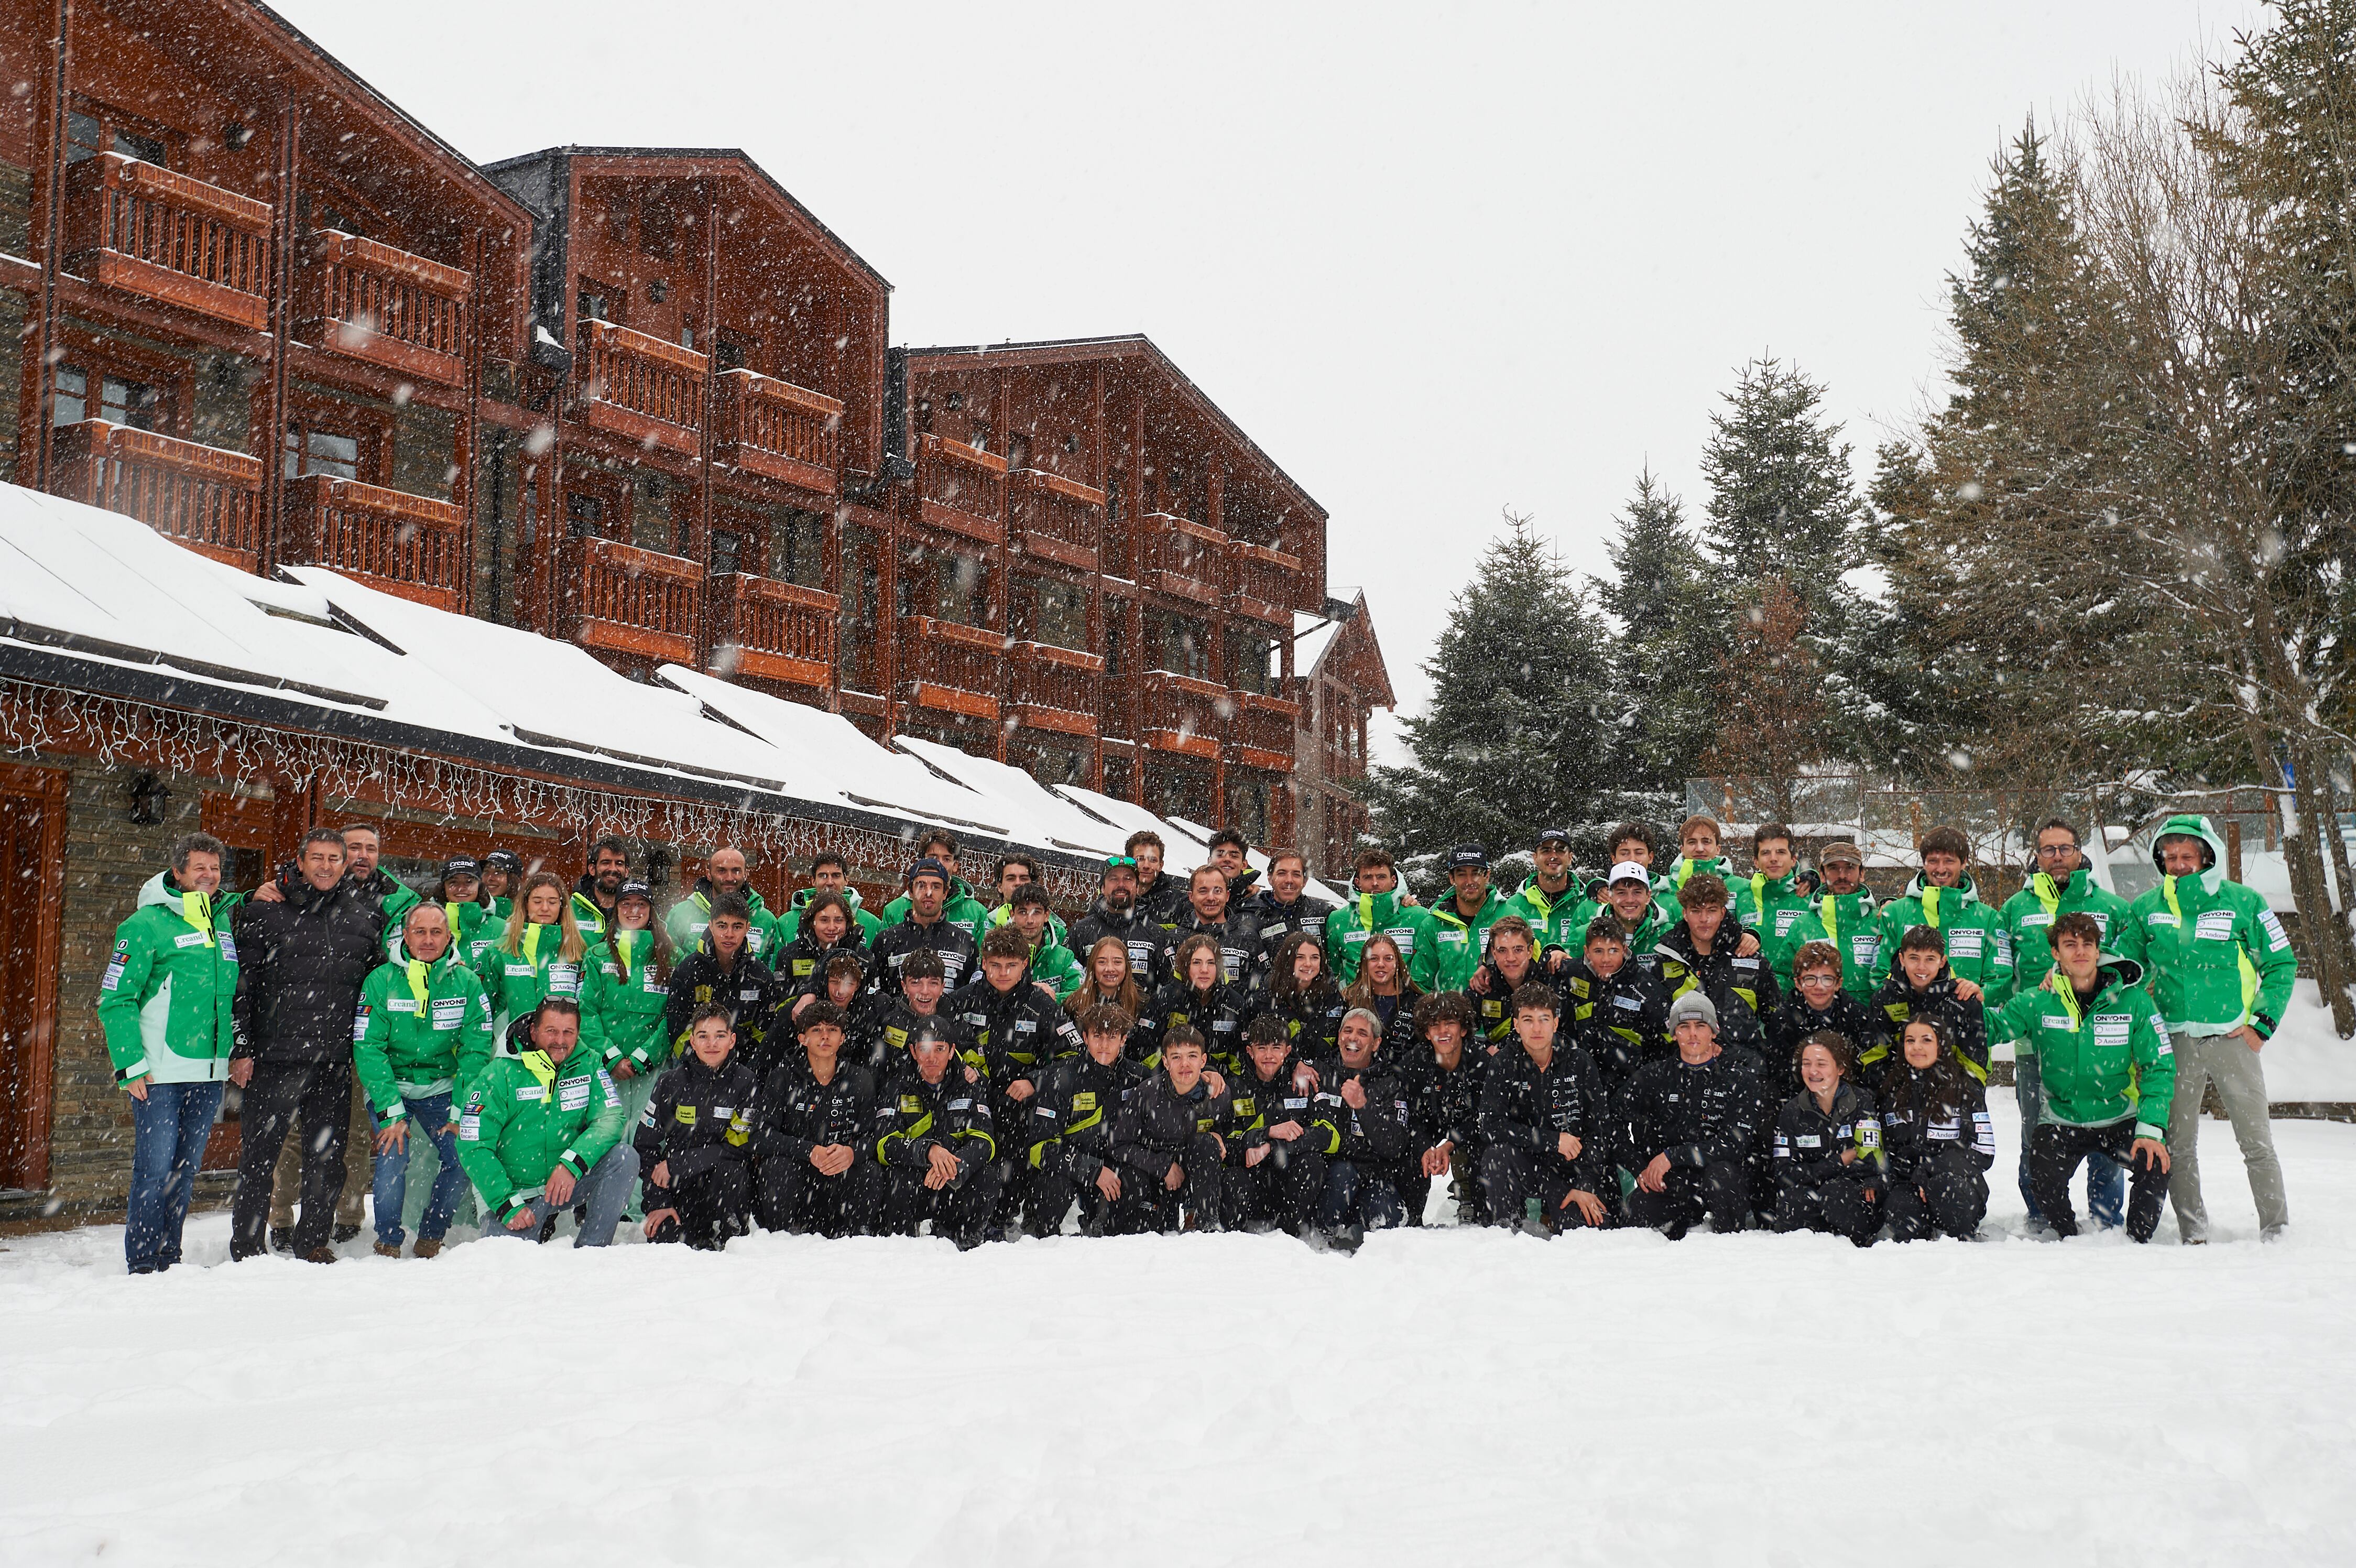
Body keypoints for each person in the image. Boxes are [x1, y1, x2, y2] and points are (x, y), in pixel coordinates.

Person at [2131, 814, 2298, 1243]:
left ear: (2208, 855)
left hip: (2232, 1038)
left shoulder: (2244, 901)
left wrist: (2261, 1026)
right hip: (2174, 1041)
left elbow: (2280, 963)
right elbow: (2125, 968)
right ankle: (2194, 1229)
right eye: (2170, 856)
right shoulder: (2147, 908)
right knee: (2180, 1145)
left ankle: (2275, 1228)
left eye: (2188, 855)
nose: (2179, 864)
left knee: (2255, 1141)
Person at [227, 827, 386, 1262]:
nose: (325, 866)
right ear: (300, 861)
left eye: (334, 858)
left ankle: (313, 1241)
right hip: (274, 1056)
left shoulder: (364, 916)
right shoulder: (264, 913)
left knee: (328, 1158)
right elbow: (243, 987)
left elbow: (378, 988)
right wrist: (241, 1049)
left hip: (334, 1059)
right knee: (261, 1158)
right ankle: (246, 1246)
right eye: (317, 857)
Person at [252, 821, 414, 1244]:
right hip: (297, 1038)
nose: (362, 855)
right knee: (291, 1138)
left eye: (370, 849)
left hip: (358, 1040)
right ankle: (282, 1217)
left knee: (355, 1135)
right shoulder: (288, 892)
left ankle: (347, 1214)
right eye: (354, 847)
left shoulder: (399, 903)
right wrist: (251, 893)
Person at [99, 832, 242, 1273]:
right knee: (155, 1170)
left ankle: (169, 1255)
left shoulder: (222, 922)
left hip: (208, 1070)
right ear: (177, 872)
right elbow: (115, 1000)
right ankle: (143, 1260)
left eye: (215, 868)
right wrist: (130, 1064)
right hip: (159, 1072)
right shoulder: (144, 925)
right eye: (199, 867)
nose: (208, 876)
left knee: (185, 1171)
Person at [1988, 913, 2175, 1242]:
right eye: (2070, 945)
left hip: (2117, 1115)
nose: (2080, 952)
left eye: (2088, 944)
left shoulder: (2134, 1001)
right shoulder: (2038, 1001)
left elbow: (2159, 1065)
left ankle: (2136, 1243)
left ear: (2098, 949)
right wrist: (1953, 1001)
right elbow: (1993, 1027)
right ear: (2055, 953)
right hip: (2063, 1118)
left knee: (2156, 1161)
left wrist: (2150, 1129)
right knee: (2039, 1175)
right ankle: (2066, 1237)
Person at [1996, 817, 2132, 1231]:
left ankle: (2106, 1215)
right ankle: (2042, 1212)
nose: (2057, 858)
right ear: (2036, 857)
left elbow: (2132, 966)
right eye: (2048, 850)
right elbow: (2002, 973)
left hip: (2101, 1042)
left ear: (2079, 852)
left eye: (2065, 849)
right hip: (2036, 1045)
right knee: (2036, 1134)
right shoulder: (2015, 908)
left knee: (2105, 1131)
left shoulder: (2112, 907)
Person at [353, 901, 494, 1259]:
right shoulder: (381, 980)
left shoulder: (467, 981)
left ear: (449, 936)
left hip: (443, 1087)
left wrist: (462, 1109)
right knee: (393, 1152)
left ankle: (432, 1234)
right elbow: (369, 1047)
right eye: (420, 932)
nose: (428, 940)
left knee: (464, 1154)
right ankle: (387, 1240)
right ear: (406, 934)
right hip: (392, 1086)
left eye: (436, 932)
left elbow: (476, 1050)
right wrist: (390, 1111)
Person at [457, 997, 639, 1247]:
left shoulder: (590, 1062)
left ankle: (592, 1251)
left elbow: (611, 1118)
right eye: (551, 1031)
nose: (560, 1041)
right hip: (513, 1194)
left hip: (561, 1185)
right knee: (508, 1268)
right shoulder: (498, 1074)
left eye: (568, 1032)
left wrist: (572, 1163)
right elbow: (472, 1144)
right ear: (534, 1031)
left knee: (623, 1158)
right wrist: (506, 1204)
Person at [949, 925, 1084, 1227]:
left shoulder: (1042, 1004)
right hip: (973, 1100)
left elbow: (1074, 1057)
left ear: (1025, 964)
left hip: (1021, 1104)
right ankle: (962, 1216)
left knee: (1017, 1155)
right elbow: (942, 1047)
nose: (1002, 973)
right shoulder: (961, 1000)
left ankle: (1006, 1215)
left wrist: (1034, 1081)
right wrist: (962, 1069)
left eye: (1011, 965)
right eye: (995, 965)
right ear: (983, 963)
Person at [1621, 991, 1762, 1238]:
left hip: (1722, 1176)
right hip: (1671, 1179)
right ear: (1674, 1033)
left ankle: (1730, 1244)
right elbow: (1610, 1121)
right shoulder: (1652, 1077)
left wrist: (1673, 1156)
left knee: (1723, 1177)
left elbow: (1734, 1144)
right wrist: (1640, 1168)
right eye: (1684, 1027)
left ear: (1714, 1032)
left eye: (1701, 1025)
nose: (1693, 1034)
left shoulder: (1740, 1079)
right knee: (1634, 1215)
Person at [1476, 982, 1611, 1236]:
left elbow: (1600, 1131)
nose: (1536, 1028)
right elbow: (1490, 1127)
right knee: (1496, 1156)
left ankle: (1560, 1212)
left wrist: (1586, 1183)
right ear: (1516, 1024)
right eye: (1528, 1020)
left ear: (1556, 1024)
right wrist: (1552, 1140)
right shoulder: (1503, 1063)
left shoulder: (1580, 1062)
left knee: (1585, 1235)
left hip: (1573, 1172)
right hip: (1528, 1166)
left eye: (1544, 1019)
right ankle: (1506, 1227)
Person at [1022, 1003, 1152, 1237]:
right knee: (1054, 1186)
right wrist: (1090, 1170)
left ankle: (1102, 1228)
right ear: (1085, 1037)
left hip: (1113, 1166)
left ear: (1123, 1040)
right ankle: (1042, 1236)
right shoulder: (1061, 1078)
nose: (1104, 1045)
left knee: (1138, 1183)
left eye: (1112, 1037)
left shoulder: (1139, 1077)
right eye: (1097, 1036)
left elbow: (1174, 1094)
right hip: (1067, 1166)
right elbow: (1038, 1148)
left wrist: (1207, 1077)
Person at [755, 1000, 882, 1237]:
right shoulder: (782, 1078)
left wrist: (851, 1153)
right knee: (776, 1168)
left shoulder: (860, 1079)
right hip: (798, 1179)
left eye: (832, 1030)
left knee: (870, 1171)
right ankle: (781, 1239)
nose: (825, 1037)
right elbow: (761, 1137)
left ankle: (859, 1239)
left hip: (839, 1179)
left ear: (842, 1038)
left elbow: (872, 1136)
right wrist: (809, 1151)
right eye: (816, 1030)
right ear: (803, 1038)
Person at [635, 1005, 757, 1250]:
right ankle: (689, 1230)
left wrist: (680, 1162)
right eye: (703, 1036)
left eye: (720, 1036)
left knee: (732, 1170)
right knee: (666, 1244)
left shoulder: (746, 1081)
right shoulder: (670, 1082)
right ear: (692, 1040)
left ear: (732, 1040)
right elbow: (644, 1146)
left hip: (722, 1188)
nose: (712, 1043)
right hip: (679, 1189)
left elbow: (740, 1144)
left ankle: (732, 1235)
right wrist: (659, 1201)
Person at [1869, 828, 2012, 1035]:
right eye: (1933, 861)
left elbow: (2001, 980)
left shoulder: (1989, 918)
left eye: (1949, 861)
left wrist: (1978, 996)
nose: (1941, 868)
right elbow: (1879, 975)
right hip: (1908, 1039)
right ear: (1924, 863)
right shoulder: (1895, 913)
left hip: (1966, 1035)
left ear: (1964, 863)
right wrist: (1908, 1014)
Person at [874, 1017, 1001, 1249]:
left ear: (953, 1052)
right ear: (913, 1051)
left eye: (940, 1049)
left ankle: (964, 1237)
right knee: (894, 1177)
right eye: (924, 1049)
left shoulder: (970, 1084)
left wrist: (955, 1167)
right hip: (915, 1178)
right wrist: (927, 1152)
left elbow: (985, 1140)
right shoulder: (896, 1084)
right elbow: (884, 1145)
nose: (932, 1058)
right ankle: (902, 1241)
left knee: (988, 1177)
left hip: (954, 1181)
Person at [1876, 1015, 1995, 1242]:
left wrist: (1930, 1170)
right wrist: (1910, 1175)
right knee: (1900, 1210)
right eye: (1910, 1041)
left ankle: (1963, 1242)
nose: (1917, 1047)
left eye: (1926, 1040)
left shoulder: (1966, 1089)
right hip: (1909, 1182)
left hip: (1957, 1184)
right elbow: (1885, 1149)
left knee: (1946, 1188)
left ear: (1942, 1045)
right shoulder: (1892, 1089)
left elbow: (1983, 1152)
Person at [1107, 1025, 1230, 1234]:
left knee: (1207, 1144)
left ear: (1203, 1060)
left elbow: (1233, 1132)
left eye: (1192, 1056)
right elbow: (1117, 1145)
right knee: (1150, 1230)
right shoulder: (1147, 1093)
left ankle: (1208, 1223)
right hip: (1154, 1174)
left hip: (1195, 1177)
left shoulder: (1219, 1094)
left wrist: (1221, 1137)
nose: (1185, 1064)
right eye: (1176, 1057)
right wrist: (1163, 1166)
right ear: (1165, 1062)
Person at [1306, 1008, 1412, 1249]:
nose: (1353, 1038)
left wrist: (1363, 1107)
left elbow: (1394, 1145)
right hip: (1332, 1181)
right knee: (1344, 1173)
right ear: (1339, 1037)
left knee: (1392, 1221)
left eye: (1362, 1033)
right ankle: (1319, 1243)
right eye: (1348, 1031)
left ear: (1376, 1044)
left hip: (1375, 1178)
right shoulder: (1320, 1074)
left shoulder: (1389, 1083)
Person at [580, 879, 674, 1148]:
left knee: (651, 1139)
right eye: (627, 904)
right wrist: (612, 1057)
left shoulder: (671, 956)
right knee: (607, 1138)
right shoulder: (597, 956)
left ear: (651, 910)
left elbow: (675, 1016)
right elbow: (586, 1013)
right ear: (617, 909)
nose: (634, 911)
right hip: (606, 1070)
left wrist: (644, 1057)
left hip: (653, 1069)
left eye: (641, 904)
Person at [1770, 1031, 1882, 1246]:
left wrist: (1818, 1173)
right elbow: (1784, 1173)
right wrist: (1837, 1163)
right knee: (1792, 1203)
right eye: (1806, 1063)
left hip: (1852, 1195)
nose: (1813, 1071)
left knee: (1835, 1194)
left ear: (1841, 1068)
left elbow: (1871, 1162)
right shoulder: (1791, 1111)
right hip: (1813, 1192)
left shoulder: (1861, 1102)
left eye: (1821, 1064)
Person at [1220, 1014, 1326, 1237]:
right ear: (1250, 1051)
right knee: (1233, 1177)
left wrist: (1272, 1147)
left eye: (1276, 1048)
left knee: (1313, 1162)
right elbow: (1224, 1145)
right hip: (1250, 1185)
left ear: (1288, 1051)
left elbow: (1323, 1135)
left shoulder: (1301, 1083)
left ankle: (1288, 1236)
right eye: (1261, 1048)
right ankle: (1234, 1241)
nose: (1269, 1056)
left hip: (1286, 1186)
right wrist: (1266, 1133)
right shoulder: (1235, 1086)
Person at [661, 894, 786, 1076]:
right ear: (710, 926)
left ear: (747, 929)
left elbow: (763, 1035)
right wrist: (700, 1065)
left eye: (737, 927)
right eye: (722, 926)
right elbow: (678, 1030)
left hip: (742, 1074)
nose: (729, 934)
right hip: (693, 1072)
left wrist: (742, 1072)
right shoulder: (687, 971)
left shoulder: (761, 977)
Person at [1653, 873, 1780, 1047]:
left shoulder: (1750, 958)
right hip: (1686, 1064)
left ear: (1722, 913)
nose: (1704, 919)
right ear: (1685, 913)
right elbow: (1658, 1021)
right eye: (1696, 911)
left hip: (1743, 1066)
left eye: (1711, 910)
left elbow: (1777, 1021)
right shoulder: (1667, 959)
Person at [1402, 992, 1490, 1225]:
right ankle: (1410, 1217)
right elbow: (1410, 1116)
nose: (1443, 1031)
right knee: (1408, 1150)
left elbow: (1484, 1118)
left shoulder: (1481, 1062)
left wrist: (1450, 1144)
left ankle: (1477, 1207)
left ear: (1463, 1029)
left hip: (1468, 1128)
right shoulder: (1413, 1063)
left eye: (1450, 1023)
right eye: (1434, 1025)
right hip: (1429, 1123)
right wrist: (1425, 1148)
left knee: (1486, 1147)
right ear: (1427, 1033)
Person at [1860, 924, 1989, 1083]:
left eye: (1930, 959)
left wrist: (1962, 1100)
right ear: (1902, 959)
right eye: (1914, 958)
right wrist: (1889, 1098)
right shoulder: (1884, 999)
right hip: (1898, 1093)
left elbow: (1974, 1065)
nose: (1921, 967)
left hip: (1950, 1094)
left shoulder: (1962, 999)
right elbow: (1873, 1058)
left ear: (1942, 962)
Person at [476, 872, 590, 1049]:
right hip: (511, 1053)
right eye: (537, 901)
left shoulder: (577, 952)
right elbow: (482, 1012)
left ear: (562, 906)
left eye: (552, 902)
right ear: (526, 905)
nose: (545, 908)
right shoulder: (498, 952)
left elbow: (586, 1009)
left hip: (562, 1054)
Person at [1558, 917, 1669, 1094]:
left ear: (1625, 950)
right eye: (1599, 951)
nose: (1606, 959)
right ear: (1587, 952)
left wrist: (1644, 1084)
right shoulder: (1569, 974)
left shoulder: (1647, 989)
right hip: (1577, 1083)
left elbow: (1665, 1046)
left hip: (1629, 1087)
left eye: (1613, 950)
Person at [1767, 941, 1878, 1102]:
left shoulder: (1856, 1014)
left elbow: (1868, 1067)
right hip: (1799, 1098)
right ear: (1798, 983)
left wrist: (1851, 1098)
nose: (1819, 987)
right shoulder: (1785, 1018)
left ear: (1838, 983)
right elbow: (1780, 1072)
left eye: (1827, 979)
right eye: (1810, 979)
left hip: (1849, 1096)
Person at [1137, 933, 1251, 1072]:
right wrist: (1170, 1080)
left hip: (1218, 1086)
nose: (1204, 970)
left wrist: (1218, 1079)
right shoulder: (1164, 999)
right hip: (1170, 1084)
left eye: (1211, 963)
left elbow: (1241, 1059)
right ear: (1186, 966)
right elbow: (1144, 1051)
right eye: (1197, 962)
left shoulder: (1235, 1004)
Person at [867, 857, 981, 993]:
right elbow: (873, 997)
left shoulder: (966, 942)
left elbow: (971, 997)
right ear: (910, 891)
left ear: (945, 893)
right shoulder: (886, 940)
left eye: (936, 887)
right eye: (921, 885)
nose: (928, 893)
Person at [1323, 846, 1434, 984]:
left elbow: (1427, 972)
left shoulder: (1418, 916)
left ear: (1393, 880)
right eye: (1368, 877)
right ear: (1358, 882)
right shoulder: (1338, 920)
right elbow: (1334, 973)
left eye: (1381, 877)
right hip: (1355, 1004)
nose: (1375, 883)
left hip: (1405, 1003)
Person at [853, 945, 975, 1070]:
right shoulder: (886, 1017)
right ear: (904, 986)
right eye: (916, 983)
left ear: (942, 987)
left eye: (933, 983)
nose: (925, 991)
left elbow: (980, 1070)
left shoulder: (956, 1024)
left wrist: (974, 1073)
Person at [1067, 853, 1176, 990]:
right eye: (1114, 879)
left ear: (1137, 888)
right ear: (1102, 888)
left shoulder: (1156, 934)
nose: (1121, 885)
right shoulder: (1080, 932)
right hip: (1092, 1011)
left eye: (1128, 879)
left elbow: (1169, 987)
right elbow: (1067, 985)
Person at [1416, 845, 1507, 993]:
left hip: (1500, 1014)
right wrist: (1439, 1012)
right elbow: (1421, 982)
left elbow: (1527, 970)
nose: (1470, 881)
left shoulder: (1510, 917)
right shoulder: (1433, 924)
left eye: (1476, 873)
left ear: (1487, 875)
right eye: (1462, 874)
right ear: (1452, 878)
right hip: (1449, 1014)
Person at [1742, 823, 1823, 989]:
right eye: (1766, 853)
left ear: (1794, 859)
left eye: (1781, 852)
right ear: (1756, 861)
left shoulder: (1811, 897)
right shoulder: (1743, 899)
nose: (1773, 858)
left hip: (1800, 999)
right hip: (1750, 1000)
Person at [665, 845, 783, 959]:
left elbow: (772, 970)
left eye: (736, 871)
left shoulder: (766, 920)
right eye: (722, 871)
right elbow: (669, 966)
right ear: (709, 875)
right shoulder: (680, 914)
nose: (729, 878)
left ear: (746, 874)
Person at [772, 890, 869, 1017]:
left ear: (848, 923)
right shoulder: (789, 955)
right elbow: (781, 1004)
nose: (832, 927)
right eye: (824, 920)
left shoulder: (864, 958)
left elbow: (869, 1002)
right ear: (812, 922)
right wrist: (806, 996)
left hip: (850, 1029)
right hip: (801, 1030)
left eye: (839, 920)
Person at [878, 831, 989, 940]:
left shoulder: (977, 912)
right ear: (922, 861)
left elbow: (981, 957)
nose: (939, 864)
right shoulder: (894, 910)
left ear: (955, 866)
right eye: (933, 858)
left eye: (946, 859)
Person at [1808, 841, 1883, 1001]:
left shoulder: (1880, 920)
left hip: (1872, 1022)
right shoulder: (1803, 925)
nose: (1842, 876)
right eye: (1834, 868)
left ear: (1862, 873)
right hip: (1818, 1022)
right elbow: (1785, 975)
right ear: (1822, 875)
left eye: (1850, 868)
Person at [1256, 930, 1348, 1058]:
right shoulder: (1266, 997)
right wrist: (1294, 1066)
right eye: (1300, 957)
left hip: (1322, 1074)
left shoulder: (1333, 997)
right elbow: (1258, 1050)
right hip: (1280, 1073)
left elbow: (1341, 1050)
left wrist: (1319, 1069)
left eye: (1315, 958)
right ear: (1288, 960)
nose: (1308, 964)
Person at [1464, 917, 1552, 1050]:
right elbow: (1459, 1034)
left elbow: (1569, 1037)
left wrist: (1558, 951)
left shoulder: (1553, 981)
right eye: (1502, 950)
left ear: (1530, 951)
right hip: (1498, 1066)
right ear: (1493, 953)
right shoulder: (1482, 987)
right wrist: (1485, 1049)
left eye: (1518, 950)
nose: (1510, 958)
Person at [1169, 864, 1263, 987]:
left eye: (1218, 891)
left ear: (1227, 896)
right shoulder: (1174, 939)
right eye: (1203, 891)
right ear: (1191, 896)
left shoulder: (1248, 937)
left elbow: (1262, 987)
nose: (1211, 898)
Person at [1502, 826, 1592, 955]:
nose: (1553, 856)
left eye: (1560, 850)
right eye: (1546, 851)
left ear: (1570, 857)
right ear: (1535, 858)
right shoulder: (1514, 906)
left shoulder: (1588, 903)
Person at [1584, 861, 1682, 975]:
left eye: (1637, 892)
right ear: (1610, 897)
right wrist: (1558, 951)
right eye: (1622, 893)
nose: (1630, 900)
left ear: (1648, 896)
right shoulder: (1587, 933)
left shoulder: (1670, 934)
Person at [1664, 814, 1760, 930]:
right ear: (1682, 849)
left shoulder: (1742, 887)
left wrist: (1751, 934)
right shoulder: (1664, 888)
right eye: (1692, 842)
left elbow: (1751, 929)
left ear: (1718, 849)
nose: (1700, 848)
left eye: (1706, 842)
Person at [1341, 931, 1423, 1058]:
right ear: (1365, 963)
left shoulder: (1418, 1003)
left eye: (1388, 958)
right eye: (1374, 958)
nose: (1381, 964)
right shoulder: (1349, 999)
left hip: (1404, 1074)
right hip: (1358, 1075)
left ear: (1397, 963)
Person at [776, 851, 885, 945]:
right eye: (823, 876)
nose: (830, 882)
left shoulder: (872, 923)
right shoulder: (786, 922)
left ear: (846, 880)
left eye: (836, 875)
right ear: (813, 881)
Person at [415, 855, 499, 970]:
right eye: (453, 882)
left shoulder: (503, 929)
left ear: (480, 886)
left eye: (469, 882)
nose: (461, 888)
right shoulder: (422, 925)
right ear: (443, 887)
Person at [1002, 884, 1083, 1000]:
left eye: (1036, 912)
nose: (1030, 920)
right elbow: (980, 991)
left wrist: (1049, 998)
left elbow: (1082, 997)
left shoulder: (1064, 957)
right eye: (1023, 912)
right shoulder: (998, 951)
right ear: (1013, 915)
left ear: (1046, 915)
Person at [1065, 935, 1149, 1037]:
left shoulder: (1141, 1002)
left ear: (1127, 967)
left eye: (1117, 962)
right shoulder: (1074, 1003)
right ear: (1093, 966)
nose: (1110, 968)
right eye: (1102, 962)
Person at [982, 853, 1071, 948]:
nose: (1018, 883)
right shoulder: (984, 926)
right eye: (1011, 879)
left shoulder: (1058, 932)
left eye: (1023, 878)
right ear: (1000, 887)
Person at [1249, 848, 1328, 948]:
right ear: (1270, 878)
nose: (1289, 880)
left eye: (1296, 874)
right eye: (1282, 873)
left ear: (1305, 881)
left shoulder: (1323, 912)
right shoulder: (1253, 915)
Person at [572, 836, 631, 942]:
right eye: (606, 863)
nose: (613, 869)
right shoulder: (571, 909)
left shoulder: (641, 910)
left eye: (619, 863)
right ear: (592, 869)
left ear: (626, 871)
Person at [1127, 830, 1189, 927]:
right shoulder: (1116, 900)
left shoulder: (1180, 904)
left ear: (1161, 865)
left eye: (1153, 860)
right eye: (1140, 859)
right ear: (1129, 862)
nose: (1146, 865)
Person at [1204, 828, 1263, 906]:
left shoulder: (1255, 903)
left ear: (1244, 865)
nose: (1227, 859)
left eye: (1234, 856)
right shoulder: (1193, 899)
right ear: (1210, 861)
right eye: (1220, 855)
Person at [479, 849, 521, 924]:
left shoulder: (525, 912)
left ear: (513, 879)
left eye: (499, 873)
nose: (490, 878)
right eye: (486, 871)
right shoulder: (470, 907)